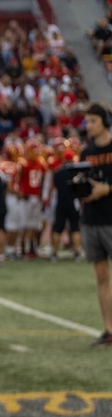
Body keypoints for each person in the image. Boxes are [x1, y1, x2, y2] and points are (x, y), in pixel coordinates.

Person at [78, 103, 112, 347]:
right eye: (87, 122)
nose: (88, 126)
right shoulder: (86, 152)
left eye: (92, 121)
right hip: (91, 218)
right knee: (101, 276)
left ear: (104, 122)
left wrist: (107, 189)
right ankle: (109, 329)